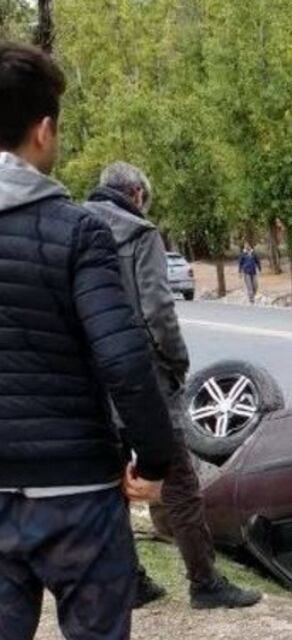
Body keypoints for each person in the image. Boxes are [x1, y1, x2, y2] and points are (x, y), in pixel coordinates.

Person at [0, 42, 174, 639]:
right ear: (44, 130)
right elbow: (125, 360)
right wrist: (154, 462)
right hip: (78, 494)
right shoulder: (79, 233)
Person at [85, 162, 263, 610]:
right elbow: (158, 312)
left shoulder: (75, 225)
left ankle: (130, 581)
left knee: (110, 486)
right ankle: (205, 584)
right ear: (137, 195)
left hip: (92, 380)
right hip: (143, 380)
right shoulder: (140, 235)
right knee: (180, 481)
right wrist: (176, 363)